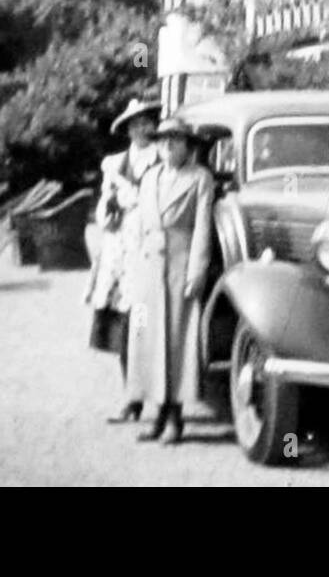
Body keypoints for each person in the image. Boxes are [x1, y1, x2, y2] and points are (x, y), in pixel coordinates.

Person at [125, 117, 215, 445]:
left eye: (175, 141)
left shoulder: (200, 179)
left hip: (180, 263)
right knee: (148, 340)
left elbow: (203, 227)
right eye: (162, 141)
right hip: (150, 265)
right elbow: (139, 224)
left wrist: (196, 270)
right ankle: (157, 414)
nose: (167, 146)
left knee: (177, 340)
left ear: (188, 146)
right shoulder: (150, 178)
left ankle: (176, 416)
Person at [84, 98, 160, 423]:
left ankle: (155, 397)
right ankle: (131, 399)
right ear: (128, 129)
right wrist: (108, 212)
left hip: (146, 243)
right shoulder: (114, 164)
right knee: (122, 326)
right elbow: (104, 204)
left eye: (148, 121)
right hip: (119, 250)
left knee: (145, 323)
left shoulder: (161, 159)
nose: (144, 127)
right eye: (137, 123)